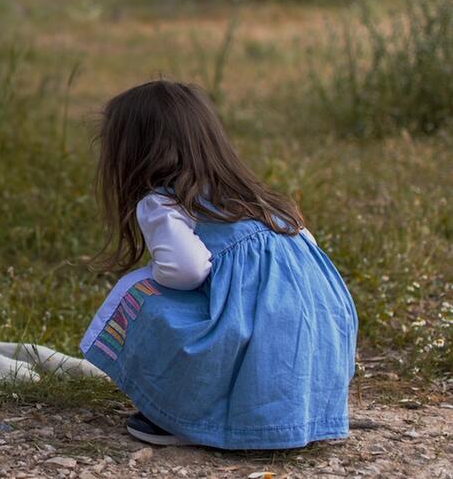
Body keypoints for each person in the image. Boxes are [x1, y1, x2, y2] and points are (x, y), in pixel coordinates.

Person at [81, 80, 357, 449]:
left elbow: (187, 269)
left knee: (140, 293)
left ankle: (183, 416)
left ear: (134, 153)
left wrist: (155, 276)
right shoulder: (257, 199)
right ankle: (294, 413)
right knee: (257, 316)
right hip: (319, 332)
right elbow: (308, 256)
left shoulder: (163, 203)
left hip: (257, 335)